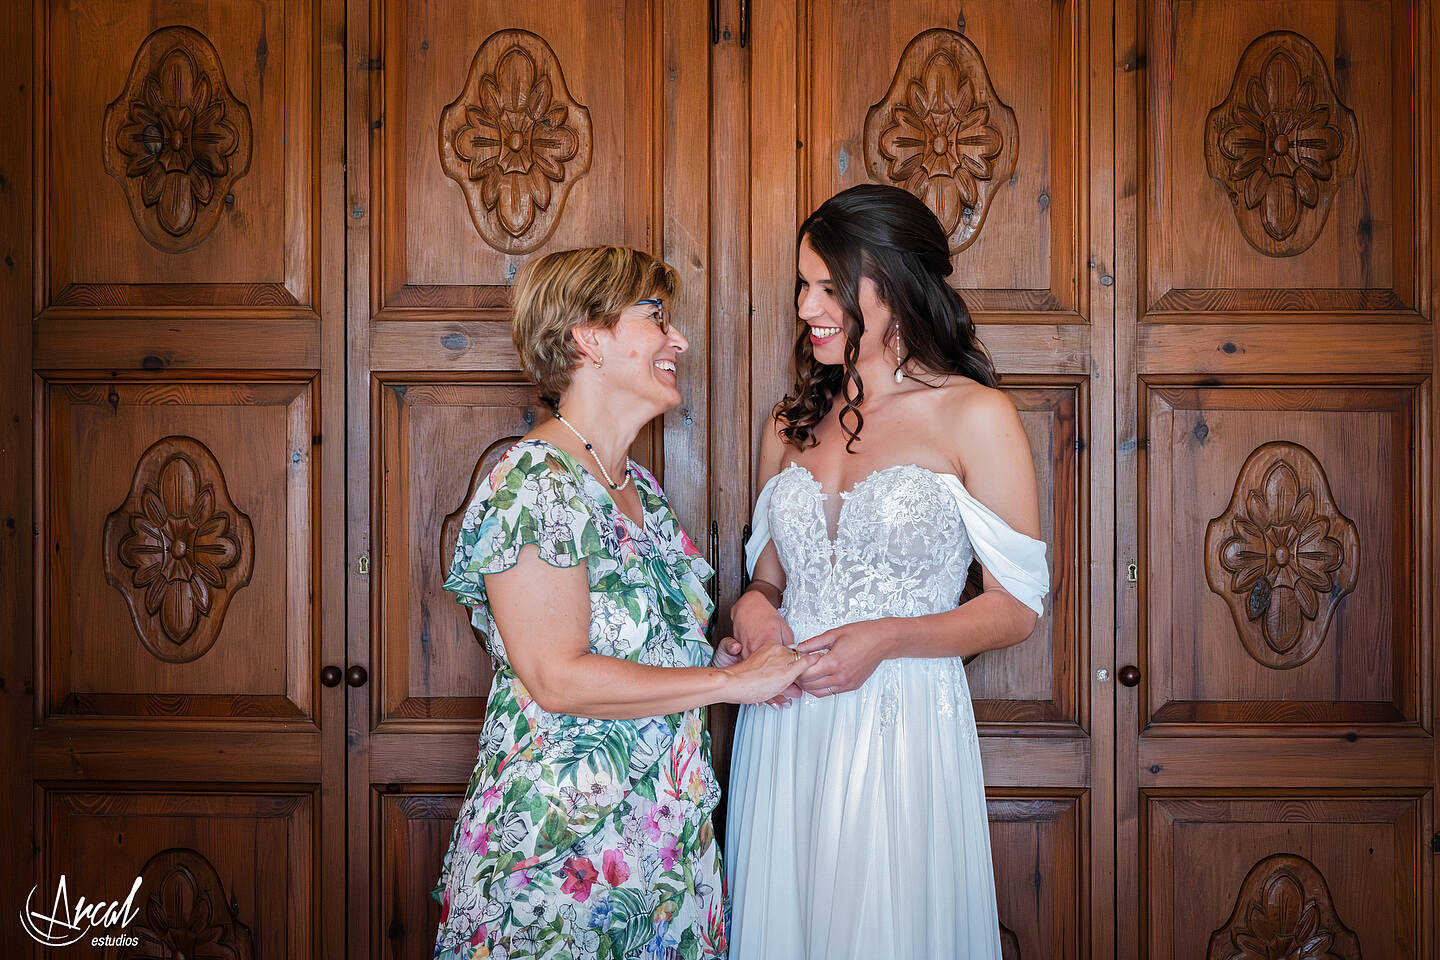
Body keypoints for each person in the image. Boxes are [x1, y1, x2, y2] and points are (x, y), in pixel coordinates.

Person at [431, 246, 818, 960]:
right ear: (588, 336)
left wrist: (715, 655)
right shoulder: (533, 483)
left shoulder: (641, 491)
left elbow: (639, 650)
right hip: (561, 860)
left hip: (664, 857)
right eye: (655, 316)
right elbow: (558, 676)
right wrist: (728, 684)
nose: (678, 340)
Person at [723, 184, 1051, 958]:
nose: (808, 306)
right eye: (802, 285)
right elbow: (770, 579)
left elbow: (1016, 609)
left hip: (901, 725)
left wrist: (888, 638)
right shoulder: (792, 422)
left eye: (830, 287)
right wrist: (752, 611)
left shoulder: (975, 416)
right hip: (785, 722)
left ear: (898, 285)